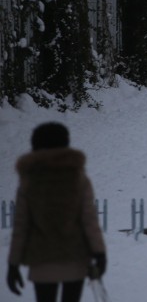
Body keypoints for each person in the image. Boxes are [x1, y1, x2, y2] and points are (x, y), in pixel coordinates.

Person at [7, 122, 107, 302]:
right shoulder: (78, 177)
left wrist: (13, 264)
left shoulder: (29, 179)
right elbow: (89, 220)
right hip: (74, 257)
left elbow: (21, 226)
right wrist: (99, 252)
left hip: (41, 258)